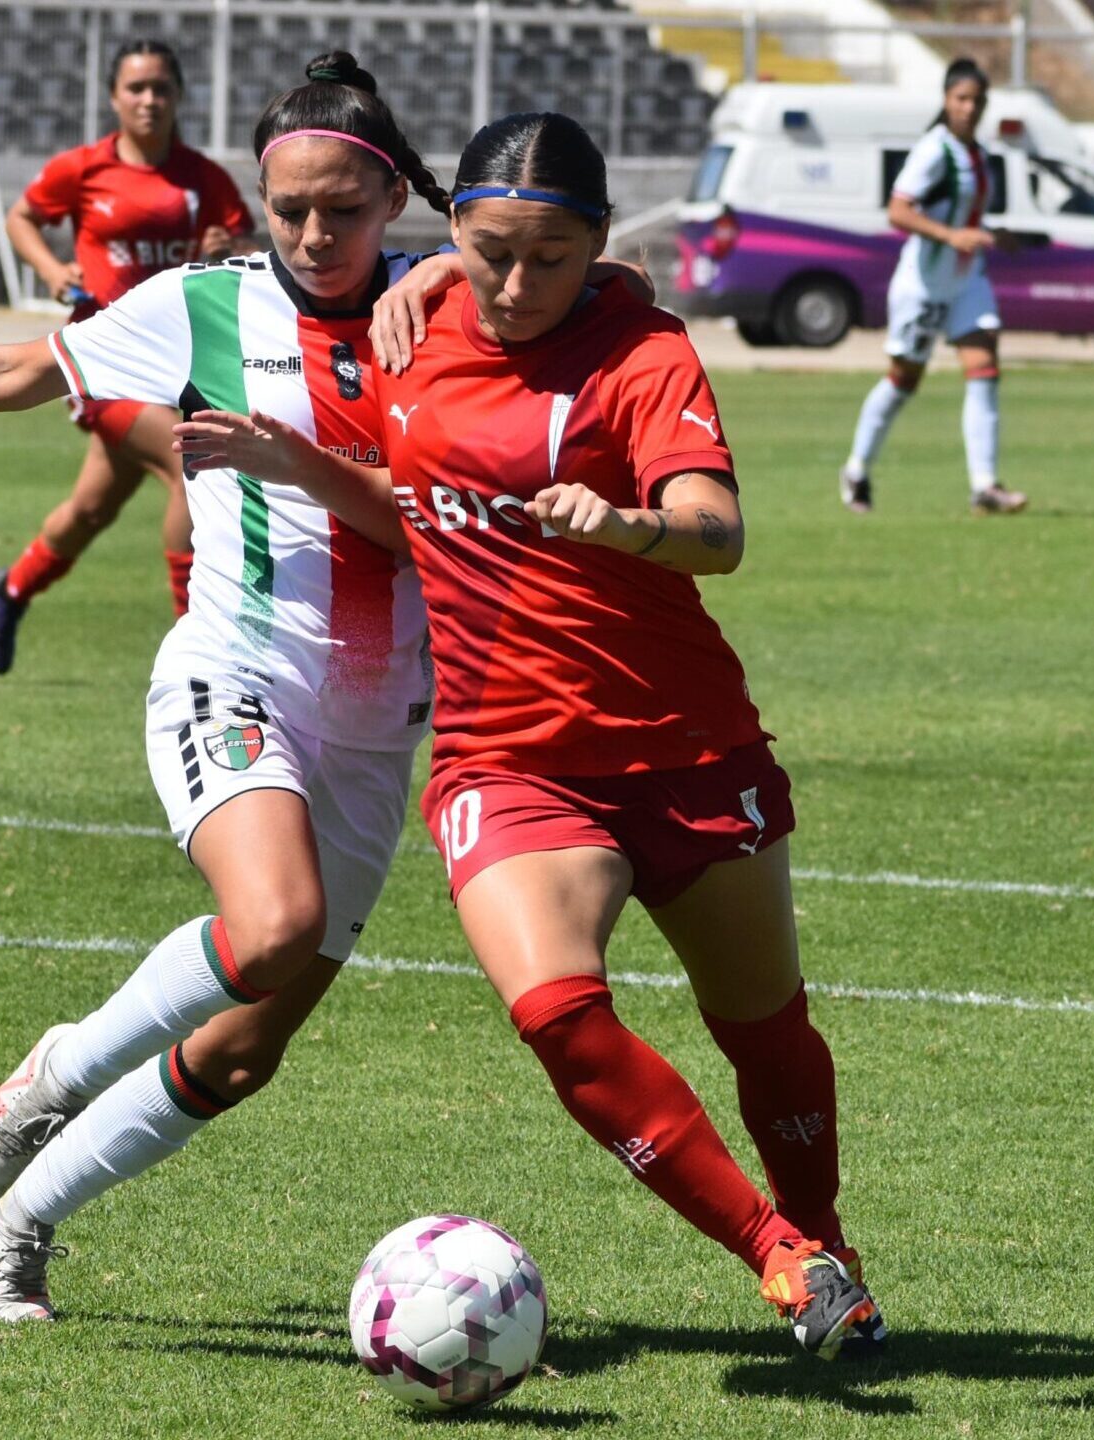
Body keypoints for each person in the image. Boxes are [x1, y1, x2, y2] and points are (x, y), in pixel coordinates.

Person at [0, 51, 469, 1327]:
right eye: (289, 206)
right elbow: (24, 371)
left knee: (245, 1049)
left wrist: (462, 259)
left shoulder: (446, 312)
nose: (313, 232)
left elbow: (594, 268)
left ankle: (21, 1217)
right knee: (275, 921)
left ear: (395, 197)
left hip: (374, 729)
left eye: (343, 210)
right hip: (232, 672)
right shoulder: (206, 307)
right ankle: (54, 1071)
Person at [177, 112, 885, 1362]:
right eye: (488, 249)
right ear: (445, 230)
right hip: (505, 758)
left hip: (685, 744)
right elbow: (412, 503)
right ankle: (774, 1254)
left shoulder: (642, 345)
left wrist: (627, 527)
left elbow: (716, 530)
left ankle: (829, 1248)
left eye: (551, 256)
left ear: (600, 244)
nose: (514, 283)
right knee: (560, 1015)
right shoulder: (410, 322)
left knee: (762, 1029)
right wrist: (292, 458)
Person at [0, 39, 255, 672]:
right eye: (137, 88)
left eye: (161, 87)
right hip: (103, 366)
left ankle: (12, 588)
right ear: (114, 98)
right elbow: (22, 217)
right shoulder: (83, 168)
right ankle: (201, 648)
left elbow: (241, 252)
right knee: (192, 456)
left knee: (89, 512)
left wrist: (227, 245)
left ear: (179, 96)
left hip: (181, 370)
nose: (150, 100)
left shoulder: (204, 178)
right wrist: (52, 271)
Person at [838, 59, 1026, 517]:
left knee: (984, 367)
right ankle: (858, 469)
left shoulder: (977, 153)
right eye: (962, 99)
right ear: (946, 100)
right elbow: (898, 211)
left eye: (977, 100)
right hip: (922, 286)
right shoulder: (933, 150)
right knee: (904, 381)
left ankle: (984, 486)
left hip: (966, 281)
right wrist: (951, 236)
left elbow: (963, 217)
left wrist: (991, 235)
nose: (969, 108)